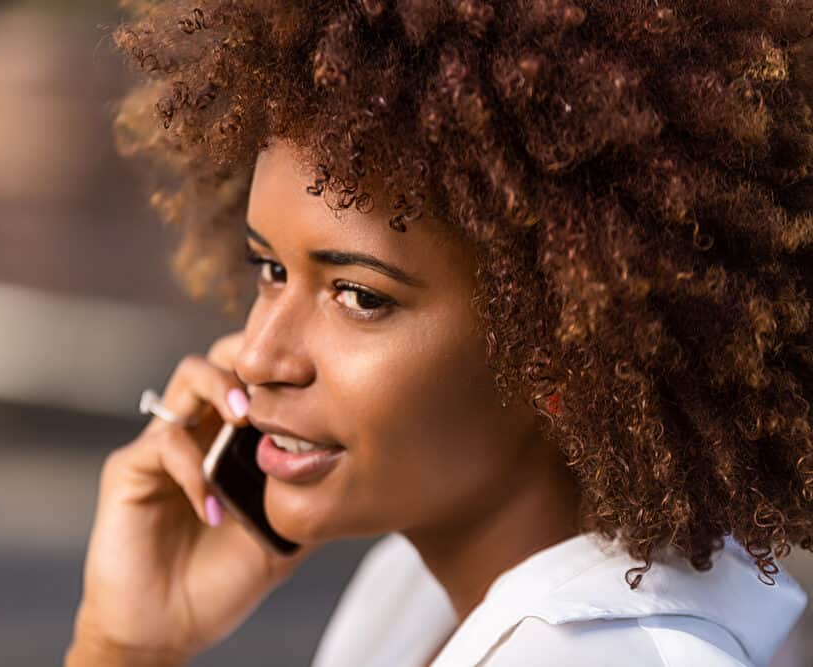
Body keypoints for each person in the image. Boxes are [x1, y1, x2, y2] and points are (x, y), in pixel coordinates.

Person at [65, 1, 813, 665]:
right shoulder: (408, 590)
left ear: (563, 343)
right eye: (270, 269)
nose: (259, 356)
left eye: (358, 294)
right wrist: (128, 645)